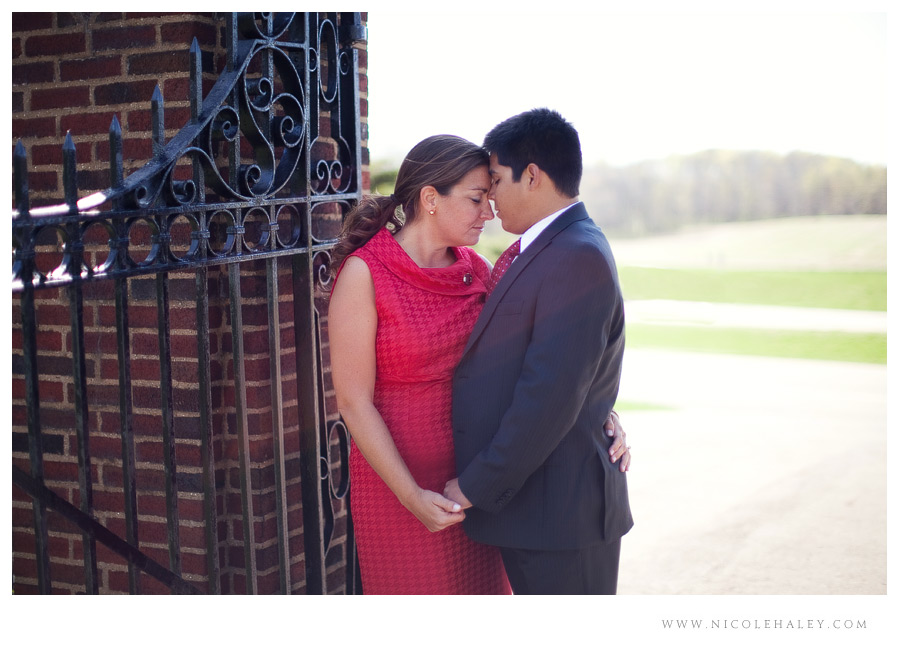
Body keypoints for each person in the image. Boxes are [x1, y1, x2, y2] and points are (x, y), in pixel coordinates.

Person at [328, 134, 630, 594]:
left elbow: (543, 364)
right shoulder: (364, 274)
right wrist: (413, 497)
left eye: (490, 198)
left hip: (480, 487)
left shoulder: (478, 270)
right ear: (430, 199)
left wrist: (598, 413)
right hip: (401, 489)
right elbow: (353, 403)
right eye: (475, 200)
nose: (488, 213)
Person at [444, 108, 633, 595]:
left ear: (532, 176)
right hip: (540, 513)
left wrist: (476, 484)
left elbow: (548, 397)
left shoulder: (577, 255)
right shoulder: (552, 247)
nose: (491, 200)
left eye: (496, 181)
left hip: (560, 518)